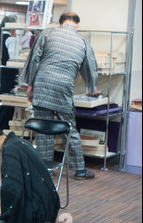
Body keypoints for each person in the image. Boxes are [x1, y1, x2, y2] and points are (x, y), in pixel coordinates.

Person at [20, 12, 98, 180]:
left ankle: (46, 169)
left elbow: (34, 60)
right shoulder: (82, 42)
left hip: (42, 85)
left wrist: (30, 84)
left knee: (43, 129)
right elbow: (90, 67)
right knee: (69, 128)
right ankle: (80, 170)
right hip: (63, 89)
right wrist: (91, 87)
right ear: (77, 25)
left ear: (60, 22)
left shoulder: (47, 33)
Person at [0, 16, 19, 129]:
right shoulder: (12, 40)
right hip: (8, 77)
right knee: (7, 106)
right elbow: (14, 61)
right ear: (12, 27)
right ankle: (4, 130)